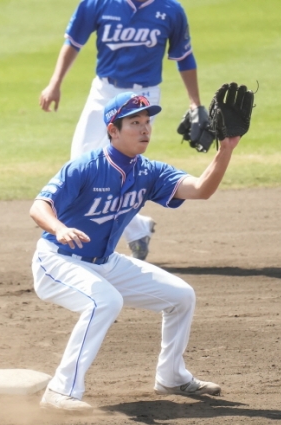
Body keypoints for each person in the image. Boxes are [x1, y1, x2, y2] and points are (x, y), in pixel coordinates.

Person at [30, 92, 240, 412]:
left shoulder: (149, 171)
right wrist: (58, 227)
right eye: (135, 123)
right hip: (57, 259)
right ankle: (60, 391)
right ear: (113, 130)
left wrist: (225, 149)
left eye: (147, 122)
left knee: (181, 296)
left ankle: (171, 376)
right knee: (105, 301)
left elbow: (201, 190)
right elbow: (39, 206)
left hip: (105, 262)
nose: (145, 129)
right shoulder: (86, 167)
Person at [39, 0, 208, 261]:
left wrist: (195, 103)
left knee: (122, 165)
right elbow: (74, 42)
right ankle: (138, 228)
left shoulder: (171, 10)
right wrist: (55, 83)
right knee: (81, 165)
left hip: (143, 97)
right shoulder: (98, 3)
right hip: (104, 92)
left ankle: (133, 232)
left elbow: (184, 57)